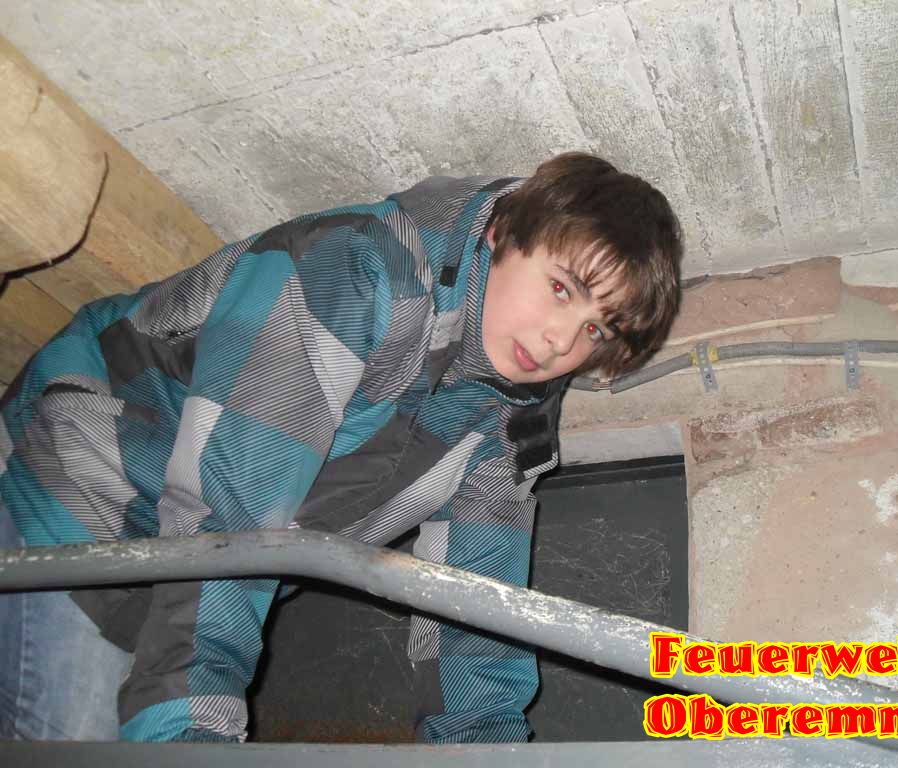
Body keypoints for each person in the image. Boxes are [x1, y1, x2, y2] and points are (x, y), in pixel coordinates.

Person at [0, 152, 683, 743]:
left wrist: (484, 752)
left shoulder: (510, 418)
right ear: (502, 232)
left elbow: (476, 607)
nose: (563, 341)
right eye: (561, 289)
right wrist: (194, 734)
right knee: (88, 739)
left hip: (169, 579)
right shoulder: (358, 272)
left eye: (595, 330)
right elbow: (229, 513)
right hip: (75, 494)